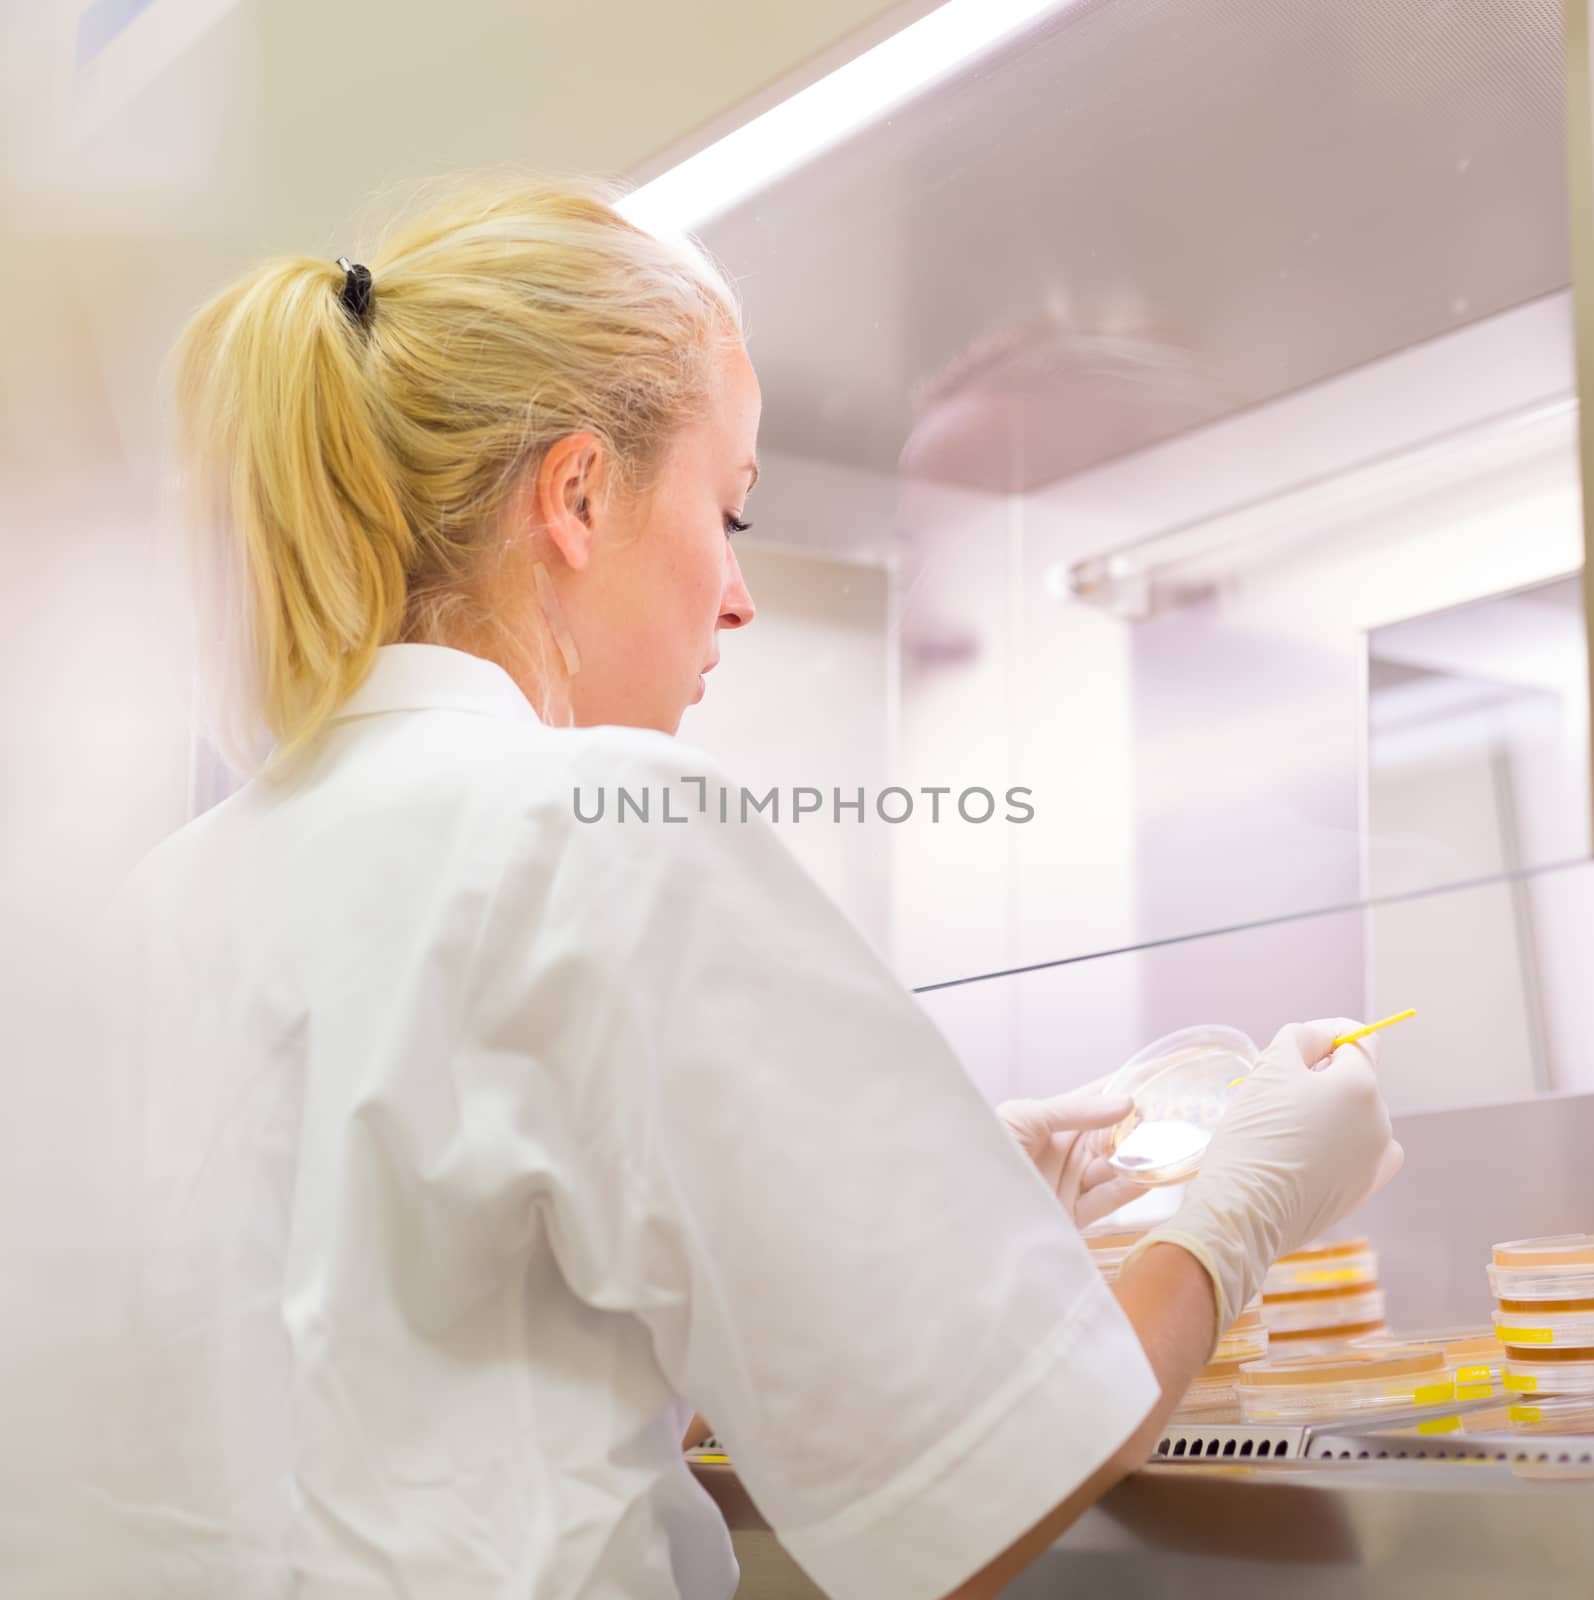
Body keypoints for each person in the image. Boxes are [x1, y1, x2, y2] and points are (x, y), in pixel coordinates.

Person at [91, 179, 1399, 1600]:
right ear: (579, 496)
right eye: (731, 513)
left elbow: (424, 1393)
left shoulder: (158, 902)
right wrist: (1246, 1213)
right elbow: (981, 1516)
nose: (736, 597)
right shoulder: (596, 829)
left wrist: (856, 1246)